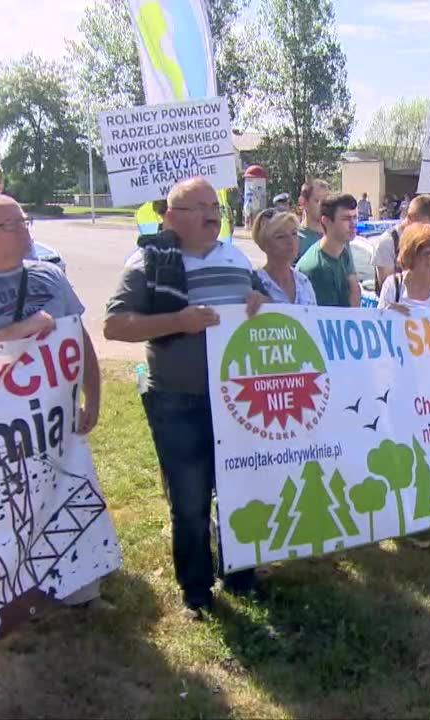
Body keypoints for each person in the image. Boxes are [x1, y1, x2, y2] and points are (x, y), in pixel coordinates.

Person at [104, 177, 268, 618]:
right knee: (191, 501)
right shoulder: (148, 260)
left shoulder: (236, 255)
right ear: (171, 218)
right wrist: (178, 320)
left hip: (238, 400)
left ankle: (241, 575)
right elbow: (115, 325)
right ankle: (197, 592)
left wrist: (258, 297)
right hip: (179, 400)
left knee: (239, 490)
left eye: (214, 205)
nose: (212, 213)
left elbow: (262, 300)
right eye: (199, 207)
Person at [0, 194, 105, 606]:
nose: (23, 229)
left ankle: (80, 591)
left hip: (55, 424)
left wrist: (93, 397)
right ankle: (3, 600)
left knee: (65, 496)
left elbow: (79, 341)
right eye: (10, 224)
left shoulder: (52, 277)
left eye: (22, 220)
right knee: (1, 512)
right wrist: (22, 329)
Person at [296, 192, 361, 307]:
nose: (353, 224)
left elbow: (355, 294)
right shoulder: (315, 268)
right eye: (346, 218)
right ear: (326, 221)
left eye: (355, 217)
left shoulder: (343, 250)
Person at [374, 194, 430, 289]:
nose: (427, 234)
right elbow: (388, 290)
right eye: (423, 227)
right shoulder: (387, 243)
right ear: (410, 218)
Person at [252, 209, 316, 305]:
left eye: (294, 234)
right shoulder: (254, 282)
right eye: (281, 236)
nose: (290, 241)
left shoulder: (304, 282)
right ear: (265, 244)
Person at [295, 179, 330, 260]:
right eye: (317, 201)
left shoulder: (336, 238)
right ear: (303, 202)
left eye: (326, 201)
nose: (324, 206)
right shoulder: (294, 239)